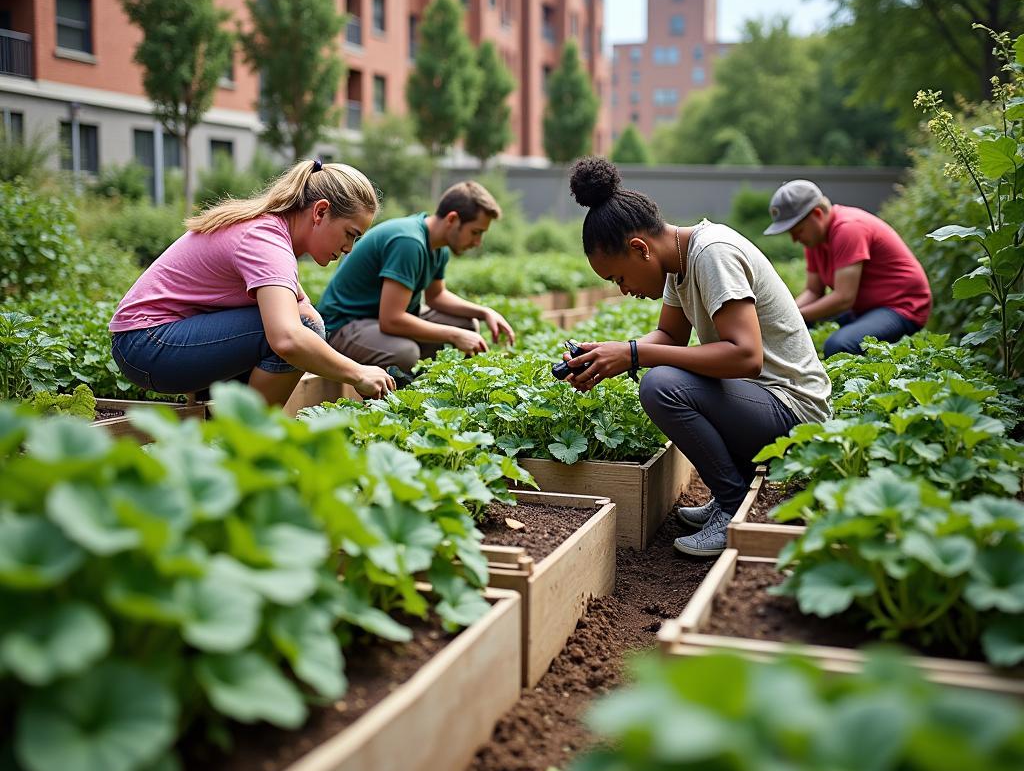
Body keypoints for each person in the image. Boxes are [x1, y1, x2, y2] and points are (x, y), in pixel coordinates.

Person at [560, 158, 831, 558]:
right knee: (662, 376)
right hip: (762, 403)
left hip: (796, 414)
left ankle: (732, 501)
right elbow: (669, 336)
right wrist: (610, 354)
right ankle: (730, 490)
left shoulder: (712, 254)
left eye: (618, 277)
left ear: (640, 249)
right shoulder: (680, 261)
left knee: (661, 386)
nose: (623, 289)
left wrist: (635, 355)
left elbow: (746, 356)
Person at [109, 159, 396, 404]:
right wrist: (358, 372)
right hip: (146, 343)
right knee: (296, 331)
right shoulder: (265, 241)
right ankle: (248, 441)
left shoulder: (270, 232)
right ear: (320, 212)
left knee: (304, 324)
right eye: (350, 233)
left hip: (153, 341)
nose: (349, 248)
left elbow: (304, 311)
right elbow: (288, 338)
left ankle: (223, 422)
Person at [318, 181, 515, 372]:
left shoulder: (438, 247)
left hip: (376, 321)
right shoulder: (408, 242)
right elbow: (392, 320)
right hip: (343, 327)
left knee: (466, 324)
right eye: (475, 232)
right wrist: (453, 335)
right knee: (405, 353)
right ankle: (390, 398)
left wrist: (484, 312)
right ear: (452, 219)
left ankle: (423, 382)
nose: (478, 242)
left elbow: (436, 297)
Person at [763, 179, 931, 357]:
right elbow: (813, 291)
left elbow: (843, 299)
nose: (795, 239)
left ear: (818, 214)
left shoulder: (848, 229)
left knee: (839, 346)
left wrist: (791, 317)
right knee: (798, 324)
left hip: (902, 308)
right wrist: (783, 314)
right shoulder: (815, 240)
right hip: (864, 310)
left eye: (798, 230)